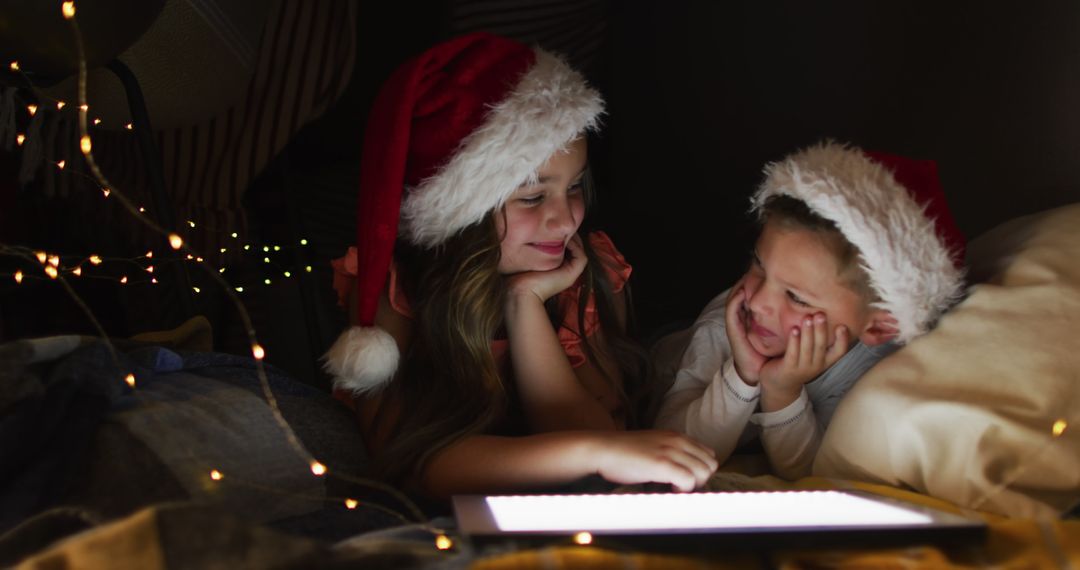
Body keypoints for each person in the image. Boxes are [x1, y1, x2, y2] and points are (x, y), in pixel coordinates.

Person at [323, 32, 717, 499]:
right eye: (532, 196)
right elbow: (407, 463)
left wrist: (525, 303)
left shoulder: (582, 276)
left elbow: (596, 432)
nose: (566, 217)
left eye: (574, 187)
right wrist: (589, 454)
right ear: (464, 212)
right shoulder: (398, 292)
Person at [654, 141, 967, 480]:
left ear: (878, 327)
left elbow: (809, 475)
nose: (758, 301)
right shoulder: (729, 322)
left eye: (797, 298)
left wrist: (782, 391)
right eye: (759, 264)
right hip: (669, 353)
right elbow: (676, 449)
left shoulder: (873, 371)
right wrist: (743, 374)